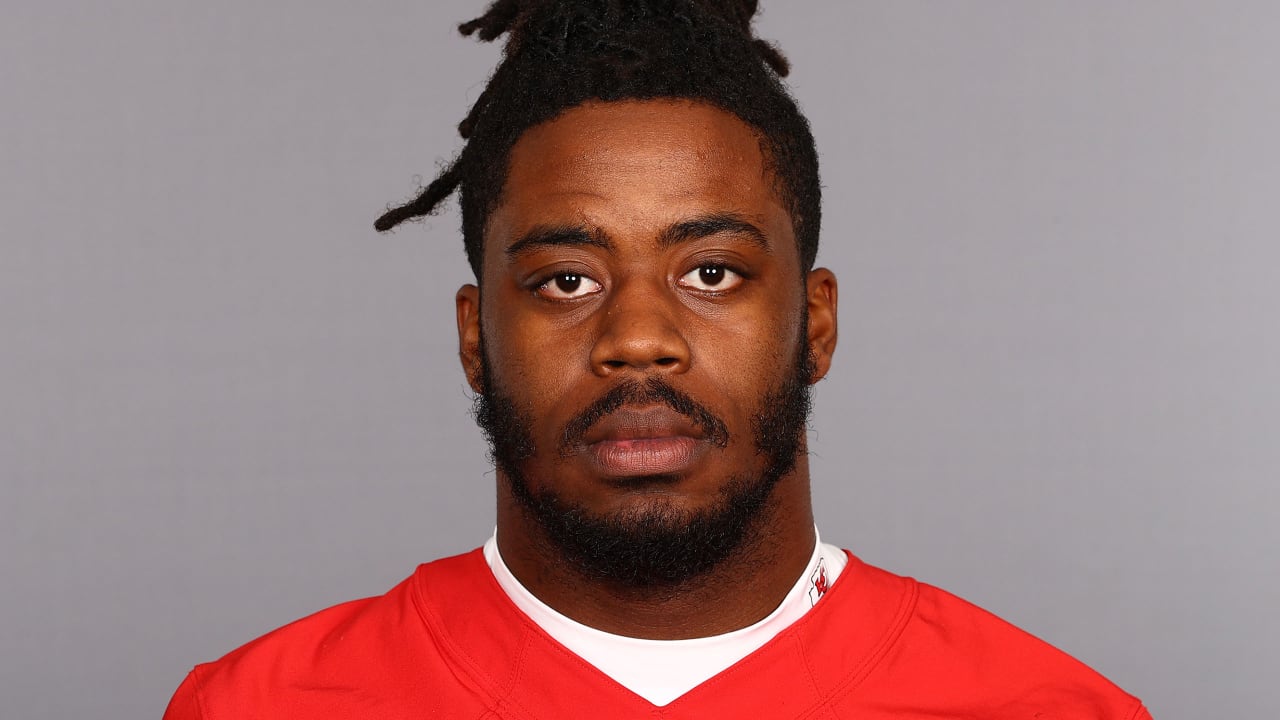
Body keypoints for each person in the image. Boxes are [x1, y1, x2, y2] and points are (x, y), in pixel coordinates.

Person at [164, 1, 1152, 717]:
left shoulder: (1050, 708)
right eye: (566, 280)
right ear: (473, 338)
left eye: (712, 272)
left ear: (814, 323)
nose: (637, 338)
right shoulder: (257, 706)